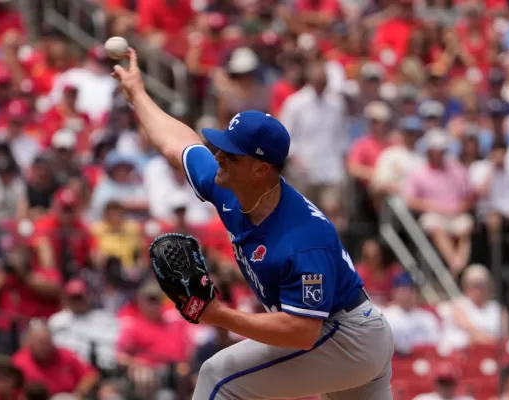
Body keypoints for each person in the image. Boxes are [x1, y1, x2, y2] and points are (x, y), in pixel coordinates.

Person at [111, 47, 394, 399]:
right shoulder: (230, 187)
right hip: (345, 335)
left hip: (346, 336)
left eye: (230, 154)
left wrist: (218, 315)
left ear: (261, 169)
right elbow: (176, 143)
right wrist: (137, 93)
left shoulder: (303, 238)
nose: (218, 157)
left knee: (217, 376)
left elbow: (301, 332)